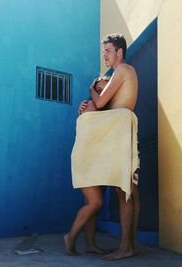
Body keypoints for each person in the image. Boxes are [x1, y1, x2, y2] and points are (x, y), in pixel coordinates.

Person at [89, 34, 139, 261]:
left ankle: (125, 247)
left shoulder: (122, 70)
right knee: (130, 191)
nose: (105, 55)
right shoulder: (120, 74)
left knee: (123, 191)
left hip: (122, 134)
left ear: (120, 52)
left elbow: (99, 102)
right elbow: (106, 105)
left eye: (108, 50)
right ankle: (130, 246)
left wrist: (92, 89)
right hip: (122, 132)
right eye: (104, 51)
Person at [64, 77, 110, 256]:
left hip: (100, 159)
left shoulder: (107, 108)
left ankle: (90, 244)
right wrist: (92, 90)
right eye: (97, 89)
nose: (100, 92)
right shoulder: (91, 104)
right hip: (87, 158)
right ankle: (71, 237)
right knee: (95, 202)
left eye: (104, 88)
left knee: (92, 204)